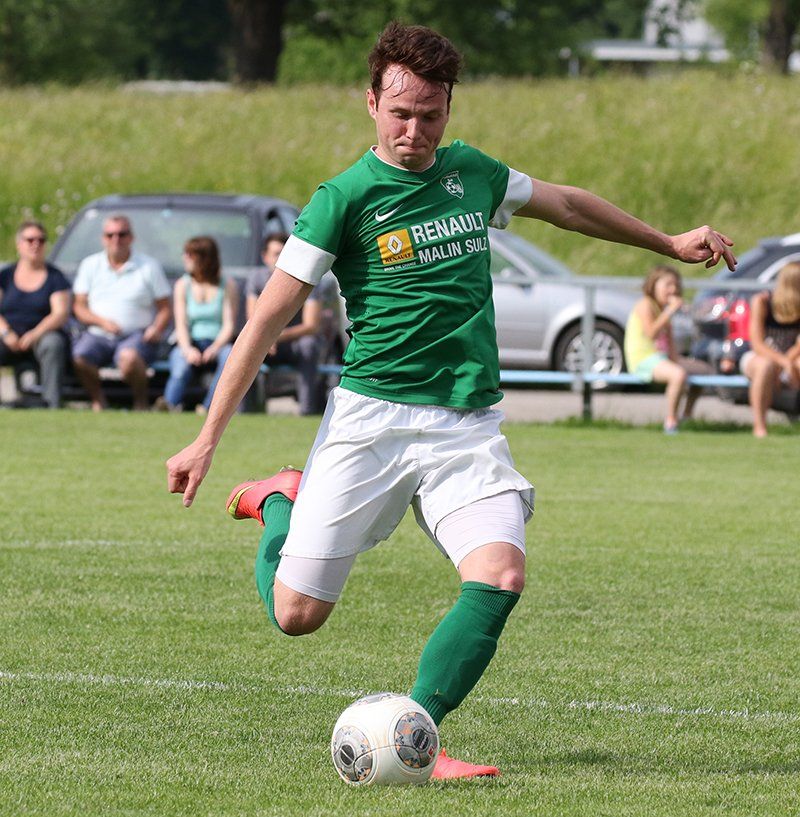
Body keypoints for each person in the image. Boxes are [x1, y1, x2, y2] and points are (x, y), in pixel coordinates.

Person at [166, 22, 736, 778]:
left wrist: (668, 242)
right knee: (297, 614)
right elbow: (264, 322)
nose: (415, 131)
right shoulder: (343, 199)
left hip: (466, 426)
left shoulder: (472, 173)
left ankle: (416, 737)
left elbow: (567, 205)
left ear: (448, 109)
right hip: (371, 422)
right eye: (400, 114)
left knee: (500, 577)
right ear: (371, 103)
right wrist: (207, 438)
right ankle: (279, 500)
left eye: (430, 115)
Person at [72, 214, 171, 411]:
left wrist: (156, 328)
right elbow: (79, 307)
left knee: (128, 357)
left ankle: (140, 403)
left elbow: (165, 308)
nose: (116, 239)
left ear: (131, 237)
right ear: (103, 239)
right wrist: (102, 322)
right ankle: (99, 401)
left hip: (136, 335)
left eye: (121, 234)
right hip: (98, 334)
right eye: (110, 235)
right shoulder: (90, 265)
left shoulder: (148, 266)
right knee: (80, 356)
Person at [624, 264, 714, 433]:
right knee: (678, 375)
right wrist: (671, 310)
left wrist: (680, 361)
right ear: (654, 285)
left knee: (703, 370)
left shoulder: (663, 311)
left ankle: (687, 416)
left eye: (676, 285)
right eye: (668, 285)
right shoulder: (645, 304)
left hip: (661, 359)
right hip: (642, 359)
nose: (673, 290)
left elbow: (671, 350)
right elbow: (651, 333)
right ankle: (671, 421)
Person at [246, 232, 324, 415]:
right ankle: (245, 410)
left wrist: (276, 336)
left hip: (292, 342)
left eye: (284, 253)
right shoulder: (256, 279)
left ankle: (307, 409)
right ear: (264, 257)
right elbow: (253, 320)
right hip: (266, 341)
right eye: (276, 254)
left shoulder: (309, 278)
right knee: (248, 343)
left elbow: (312, 325)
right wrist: (266, 339)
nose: (281, 258)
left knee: (309, 345)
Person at [158, 236, 238, 414]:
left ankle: (208, 408)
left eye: (190, 255)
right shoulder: (182, 285)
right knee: (180, 367)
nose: (185, 258)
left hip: (218, 343)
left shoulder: (227, 285)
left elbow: (229, 325)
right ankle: (168, 406)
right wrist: (187, 349)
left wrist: (215, 347)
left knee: (229, 359)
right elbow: (181, 324)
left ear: (205, 258)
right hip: (189, 342)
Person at [0, 221, 71, 408]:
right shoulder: (5, 276)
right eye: (30, 240)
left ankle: (51, 404)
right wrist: (6, 333)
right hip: (8, 336)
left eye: (41, 240)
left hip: (42, 335)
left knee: (53, 344)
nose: (36, 244)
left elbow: (60, 313)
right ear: (19, 244)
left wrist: (35, 334)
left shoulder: (55, 277)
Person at [742, 261, 800, 437]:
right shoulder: (763, 301)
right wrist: (783, 362)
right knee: (765, 366)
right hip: (760, 356)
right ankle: (760, 427)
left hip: (792, 356)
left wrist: (788, 362)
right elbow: (757, 344)